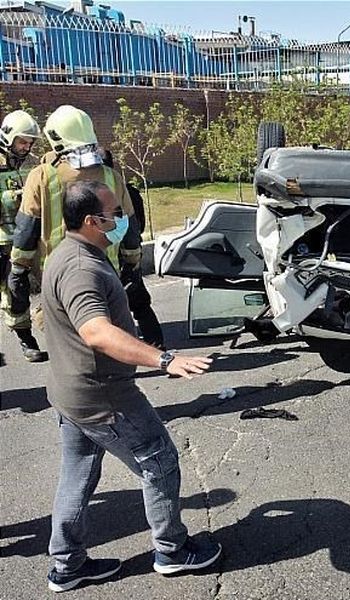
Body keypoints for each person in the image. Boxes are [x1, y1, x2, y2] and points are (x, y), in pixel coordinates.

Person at [42, 180, 221, 593]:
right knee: (159, 460)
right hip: (104, 395)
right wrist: (165, 360)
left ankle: (67, 566)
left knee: (76, 476)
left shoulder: (67, 251)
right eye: (114, 212)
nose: (122, 218)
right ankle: (172, 551)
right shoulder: (83, 268)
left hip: (71, 394)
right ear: (92, 221)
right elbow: (97, 332)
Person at [10, 105, 143, 337]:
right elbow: (130, 226)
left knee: (69, 335)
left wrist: (18, 267)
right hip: (105, 266)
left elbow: (26, 228)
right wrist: (132, 262)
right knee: (104, 325)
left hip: (58, 270)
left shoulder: (41, 176)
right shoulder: (112, 177)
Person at [97, 147, 165, 349]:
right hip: (129, 255)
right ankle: (155, 342)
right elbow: (139, 226)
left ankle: (124, 348)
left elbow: (131, 227)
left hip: (112, 258)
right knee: (139, 301)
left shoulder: (101, 196)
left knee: (111, 308)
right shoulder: (128, 191)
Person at [0, 109, 46, 362]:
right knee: (12, 293)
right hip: (2, 242)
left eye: (29, 142)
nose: (26, 147)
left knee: (27, 288)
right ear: (9, 136)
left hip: (21, 238)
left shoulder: (16, 164)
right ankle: (25, 339)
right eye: (22, 141)